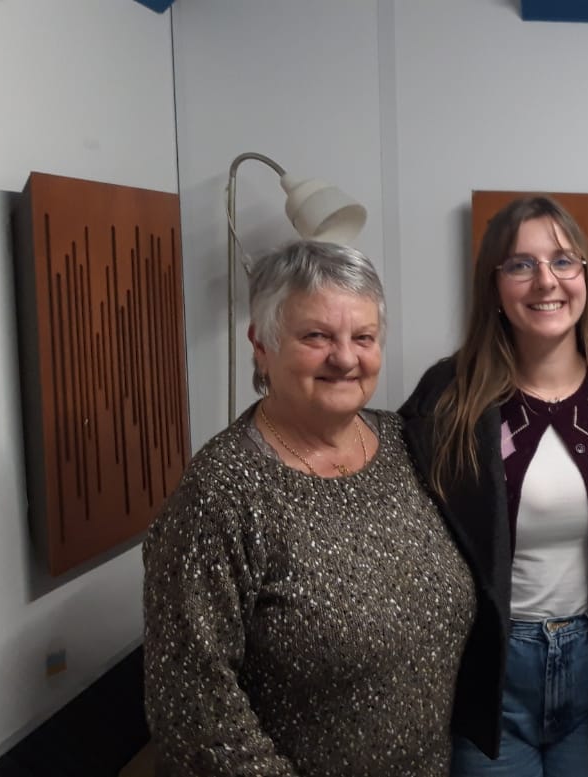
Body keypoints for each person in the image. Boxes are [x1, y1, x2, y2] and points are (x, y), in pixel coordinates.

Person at [143, 241, 475, 777]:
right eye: (316, 336)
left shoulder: (408, 444)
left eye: (363, 337)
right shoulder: (222, 491)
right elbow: (193, 707)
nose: (345, 358)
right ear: (262, 344)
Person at [400, 195, 588, 777]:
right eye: (521, 264)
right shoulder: (446, 399)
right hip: (490, 683)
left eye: (562, 261)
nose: (545, 281)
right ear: (494, 286)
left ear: (586, 276)